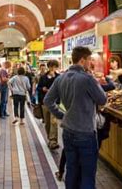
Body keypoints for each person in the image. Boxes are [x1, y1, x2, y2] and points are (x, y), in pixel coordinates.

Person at [44, 46, 107, 189]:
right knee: (87, 174)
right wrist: (94, 79)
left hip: (68, 132)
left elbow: (48, 100)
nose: (90, 62)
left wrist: (62, 115)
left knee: (72, 170)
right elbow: (102, 100)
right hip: (85, 132)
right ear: (82, 60)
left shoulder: (61, 78)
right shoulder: (87, 79)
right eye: (89, 59)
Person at [37, 60, 60, 150]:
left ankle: (53, 141)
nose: (53, 68)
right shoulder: (43, 77)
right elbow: (38, 88)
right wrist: (42, 89)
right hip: (45, 102)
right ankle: (50, 139)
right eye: (51, 66)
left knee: (53, 122)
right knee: (47, 123)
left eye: (54, 67)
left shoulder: (59, 77)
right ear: (49, 67)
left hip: (55, 102)